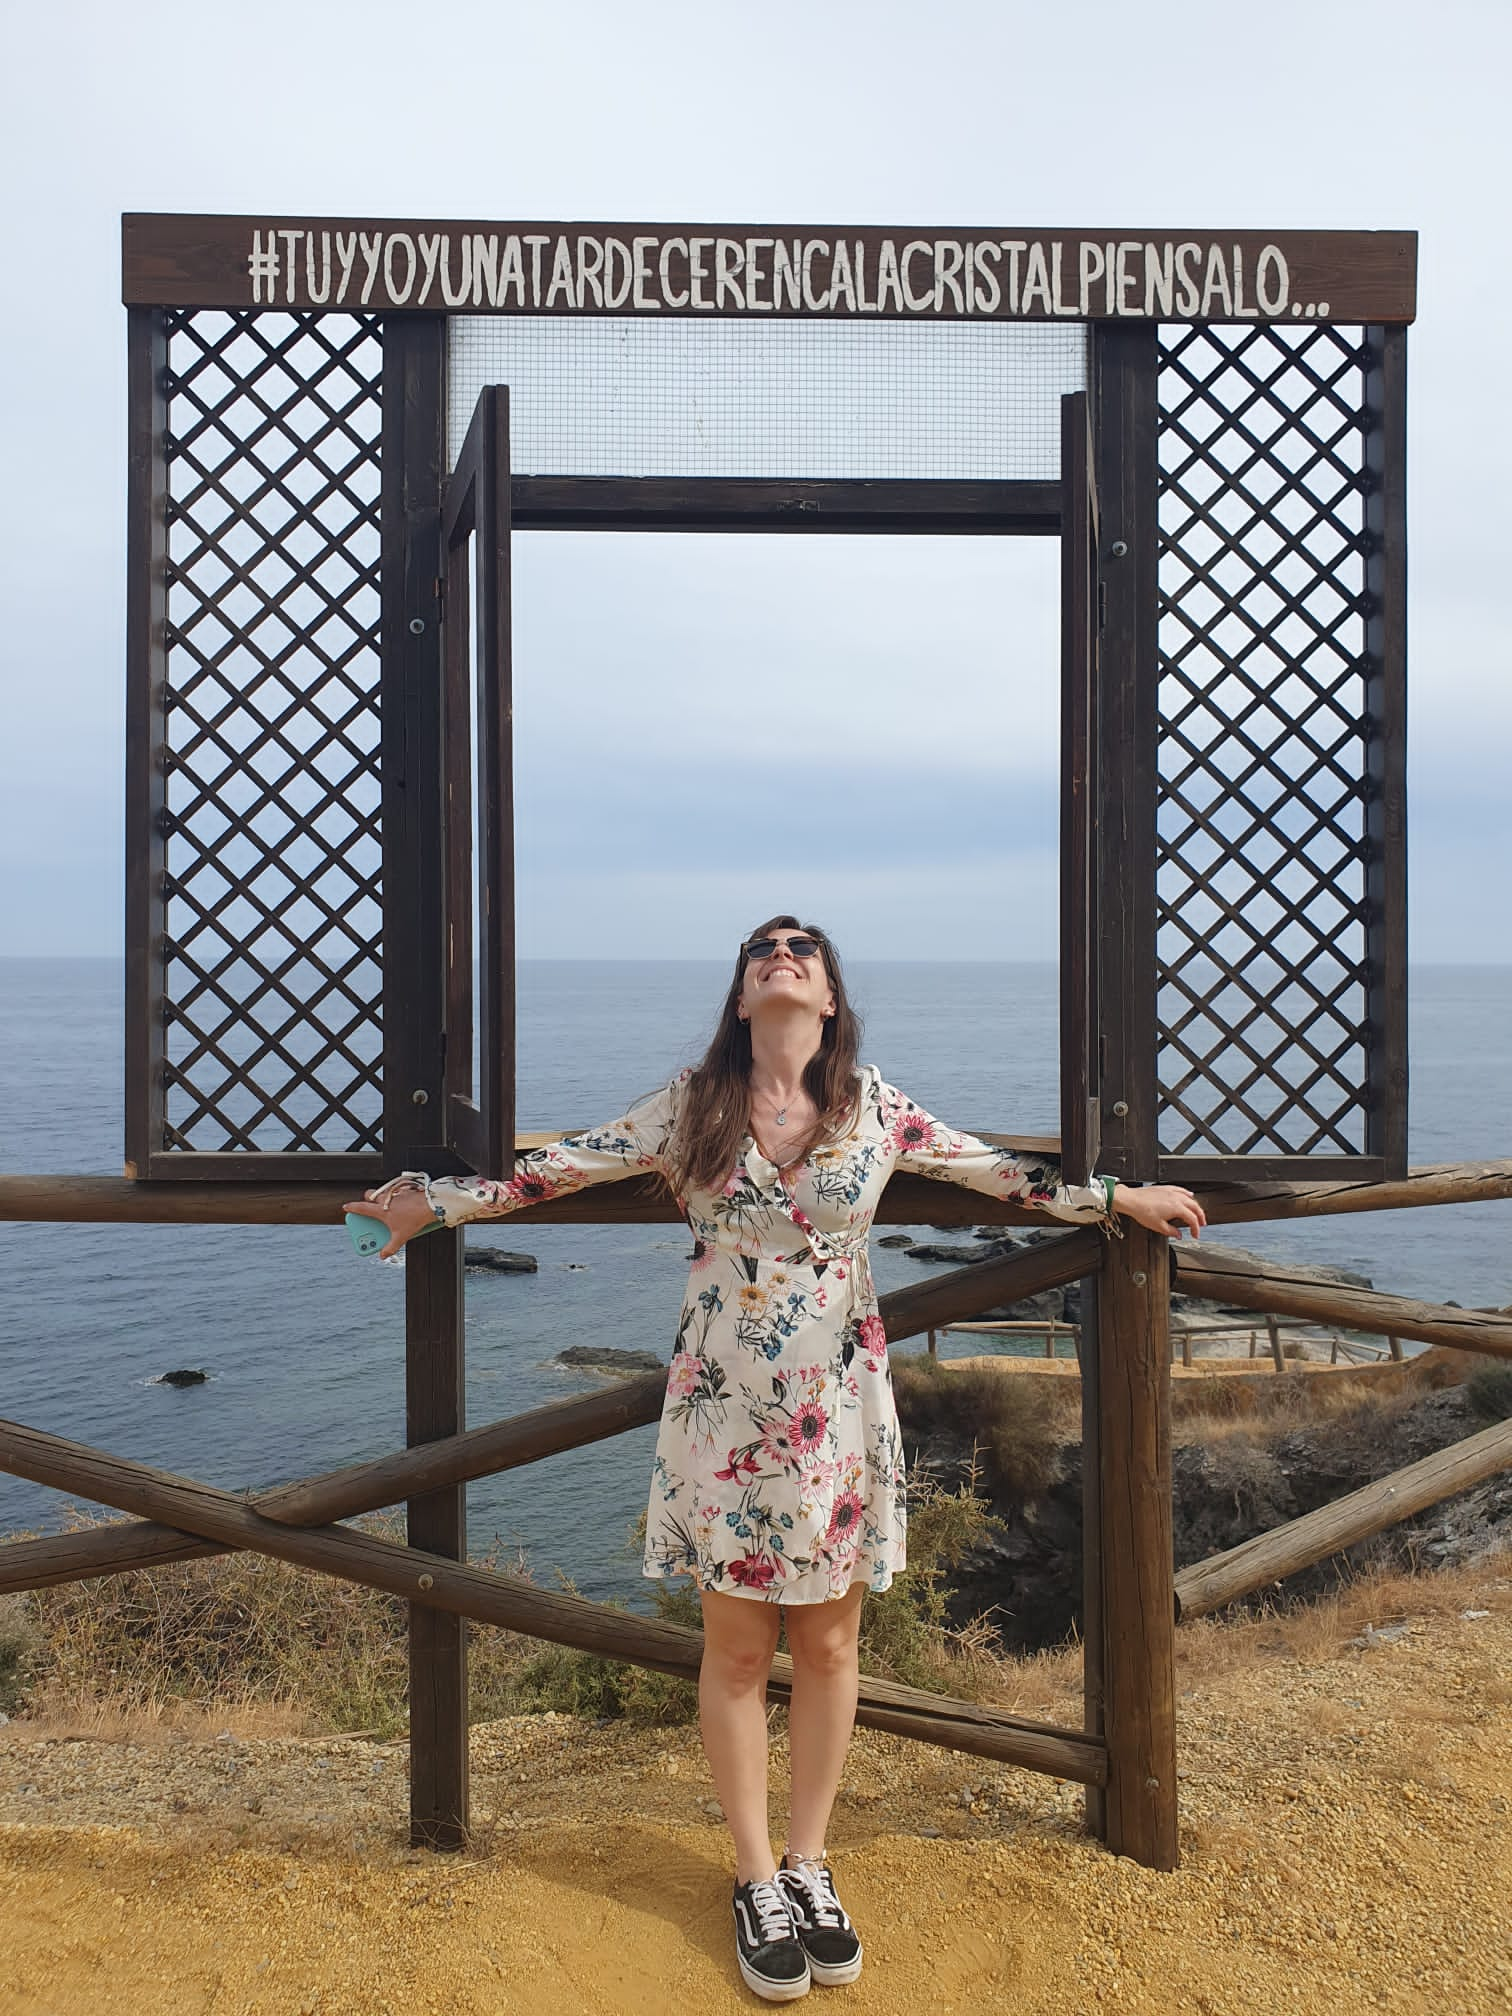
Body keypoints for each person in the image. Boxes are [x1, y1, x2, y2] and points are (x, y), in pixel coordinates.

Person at [345, 915, 1205, 2001]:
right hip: (723, 1414)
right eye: (764, 950)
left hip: (838, 1411)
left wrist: (1121, 1202)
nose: (783, 955)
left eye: (805, 949)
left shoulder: (875, 1106)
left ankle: (811, 1863)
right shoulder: (690, 1104)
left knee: (835, 1646)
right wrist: (436, 1205)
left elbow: (1003, 1178)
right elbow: (553, 1172)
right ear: (744, 998)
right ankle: (755, 1878)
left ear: (831, 998)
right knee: (741, 1652)